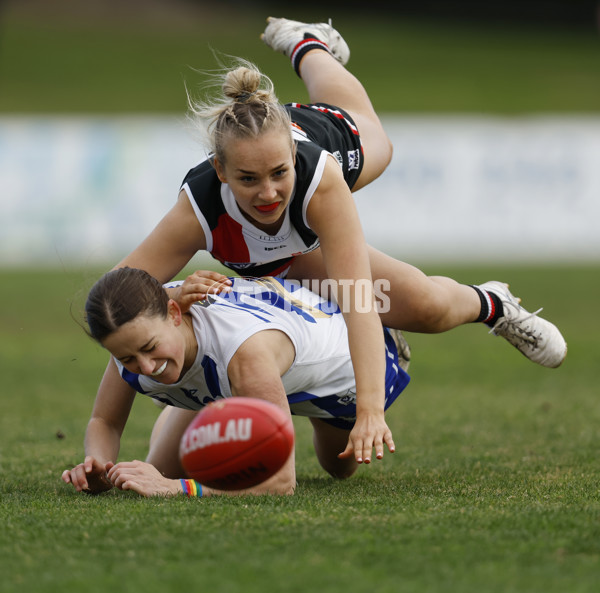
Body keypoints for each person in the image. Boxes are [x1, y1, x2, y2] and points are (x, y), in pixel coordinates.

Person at [112, 17, 567, 466]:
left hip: (311, 239)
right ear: (221, 171)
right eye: (248, 179)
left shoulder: (320, 179)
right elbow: (115, 293)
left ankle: (494, 303)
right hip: (270, 273)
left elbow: (358, 299)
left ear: (293, 156)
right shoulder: (199, 208)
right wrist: (173, 294)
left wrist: (370, 412)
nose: (267, 192)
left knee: (426, 303)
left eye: (278, 173)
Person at [61, 267, 411, 497]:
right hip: (247, 374)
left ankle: (439, 313)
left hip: (350, 364)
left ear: (174, 314)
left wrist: (179, 489)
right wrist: (98, 463)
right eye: (127, 358)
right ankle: (214, 403)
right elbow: (104, 421)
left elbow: (281, 483)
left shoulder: (244, 353)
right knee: (161, 468)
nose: (146, 366)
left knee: (338, 467)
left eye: (150, 349)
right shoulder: (133, 335)